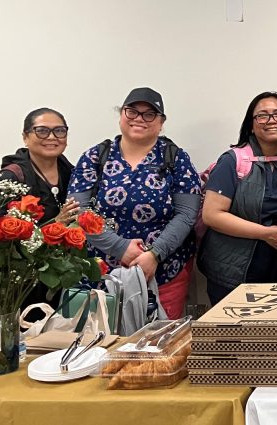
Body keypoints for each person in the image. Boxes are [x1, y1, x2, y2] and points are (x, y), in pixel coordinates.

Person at [67, 87, 201, 319]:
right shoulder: (96, 156)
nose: (139, 119)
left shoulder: (176, 158)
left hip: (164, 271)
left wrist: (154, 254)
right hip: (100, 274)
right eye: (132, 111)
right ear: (121, 115)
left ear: (161, 123)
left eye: (149, 114)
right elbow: (80, 211)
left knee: (160, 347)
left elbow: (187, 214)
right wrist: (120, 247)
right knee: (102, 345)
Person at [199, 92, 277, 304]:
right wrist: (266, 233)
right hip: (236, 272)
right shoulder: (233, 161)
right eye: (262, 116)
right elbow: (212, 215)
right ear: (251, 124)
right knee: (238, 336)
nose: (272, 120)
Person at [0, 108, 80, 314]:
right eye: (42, 131)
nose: (52, 137)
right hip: (24, 287)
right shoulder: (12, 178)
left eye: (59, 131)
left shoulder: (74, 174)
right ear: (26, 137)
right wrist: (55, 225)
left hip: (65, 282)